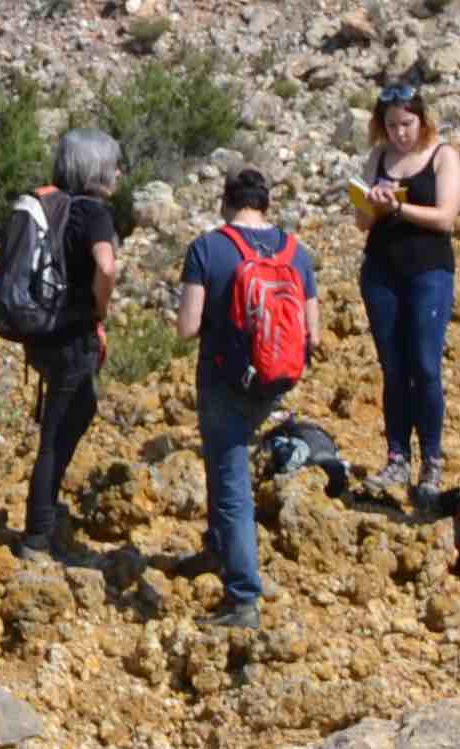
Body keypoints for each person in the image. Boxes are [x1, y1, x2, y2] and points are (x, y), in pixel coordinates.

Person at [175, 167, 319, 629]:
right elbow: (313, 332)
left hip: (225, 380)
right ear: (266, 203)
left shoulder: (207, 248)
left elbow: (187, 328)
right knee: (225, 464)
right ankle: (219, 548)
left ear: (226, 203)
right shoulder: (297, 252)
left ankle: (242, 596)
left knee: (231, 477)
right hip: (276, 379)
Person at [343, 83, 460, 505]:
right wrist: (372, 203)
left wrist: (399, 207)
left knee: (426, 366)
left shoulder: (442, 156)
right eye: (391, 125)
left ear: (422, 120)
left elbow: (446, 217)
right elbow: (362, 222)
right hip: (381, 271)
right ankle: (396, 455)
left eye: (407, 124)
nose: (400, 133)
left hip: (428, 271)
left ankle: (431, 458)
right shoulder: (378, 157)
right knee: (392, 367)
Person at [10, 128, 124, 562]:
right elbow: (106, 265)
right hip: (73, 336)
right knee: (56, 435)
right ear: (95, 168)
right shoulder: (92, 212)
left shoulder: (54, 208)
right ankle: (37, 536)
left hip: (44, 335)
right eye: (113, 164)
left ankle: (46, 515)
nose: (119, 172)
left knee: (70, 418)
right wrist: (101, 306)